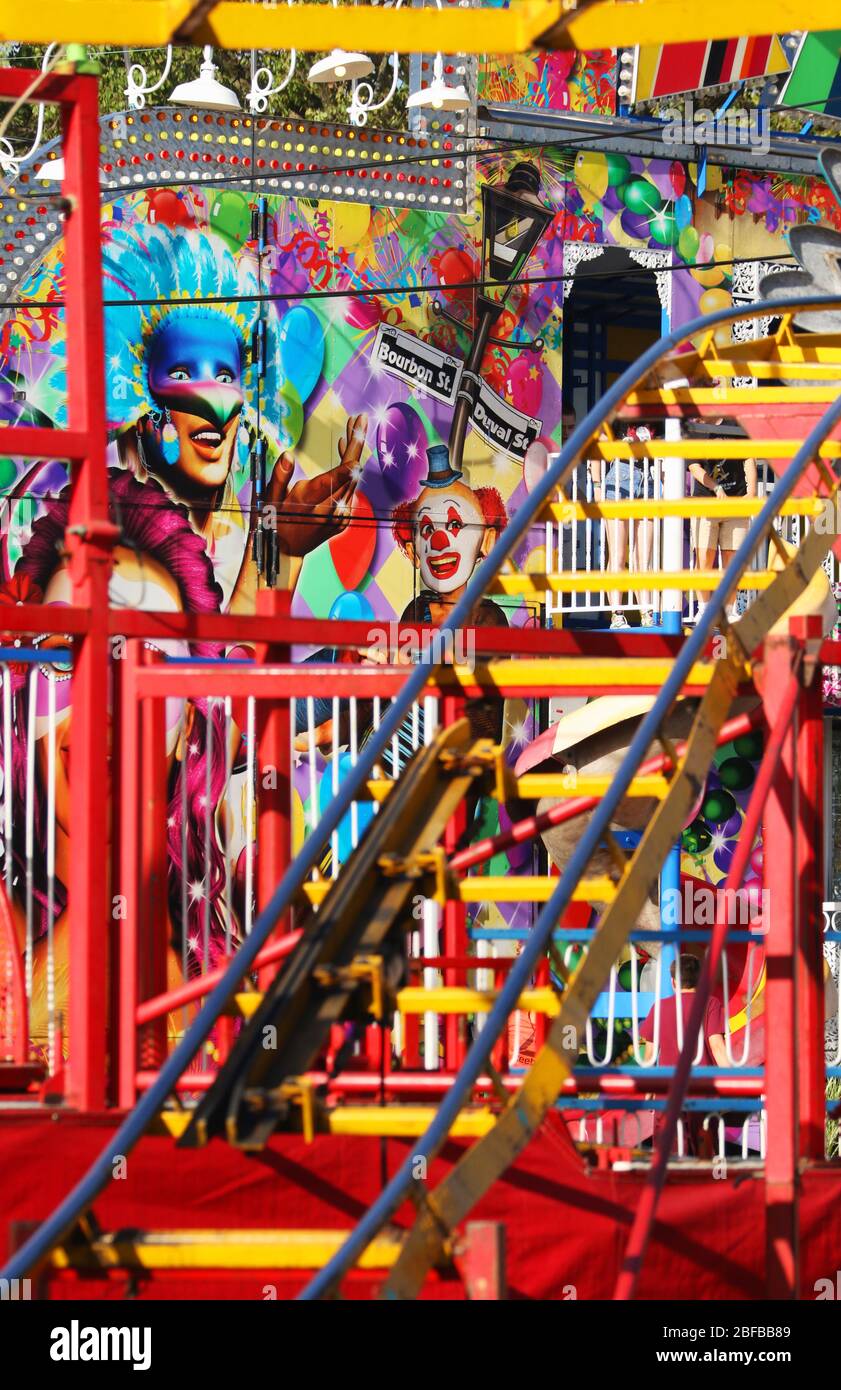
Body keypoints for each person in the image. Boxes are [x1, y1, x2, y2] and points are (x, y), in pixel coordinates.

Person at [639, 954, 727, 1154]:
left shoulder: (659, 1007)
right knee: (706, 1154)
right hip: (703, 1091)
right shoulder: (710, 1004)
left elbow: (650, 1054)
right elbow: (717, 1047)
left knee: (669, 1156)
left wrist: (648, 1088)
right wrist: (734, 1082)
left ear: (673, 981)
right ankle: (711, 1184)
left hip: (668, 1092)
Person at [590, 425, 657, 629]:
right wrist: (597, 485)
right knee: (618, 554)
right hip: (621, 475)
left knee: (643, 557)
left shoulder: (659, 413)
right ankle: (617, 615)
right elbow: (598, 445)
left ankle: (646, 611)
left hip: (648, 476)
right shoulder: (619, 413)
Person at [689, 433, 757, 624]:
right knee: (704, 559)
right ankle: (704, 610)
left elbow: (748, 457)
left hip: (737, 501)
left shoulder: (734, 424)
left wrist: (751, 492)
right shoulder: (696, 428)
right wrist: (717, 488)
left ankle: (729, 610)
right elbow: (694, 467)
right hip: (706, 502)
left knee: (732, 560)